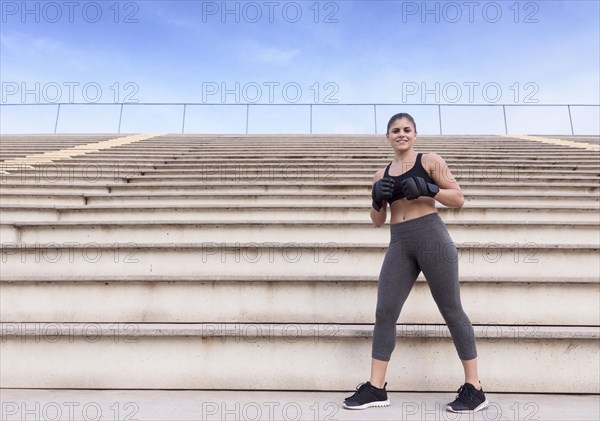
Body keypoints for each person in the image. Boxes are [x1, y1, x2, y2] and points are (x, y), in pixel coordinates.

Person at [342, 113, 489, 413]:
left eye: (407, 129)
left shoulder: (430, 161)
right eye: (395, 130)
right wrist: (374, 202)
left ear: (415, 135)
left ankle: (474, 388)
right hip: (399, 242)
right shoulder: (379, 174)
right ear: (387, 137)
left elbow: (458, 198)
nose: (401, 134)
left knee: (451, 309)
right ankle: (376, 388)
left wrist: (429, 189)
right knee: (385, 311)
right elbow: (377, 222)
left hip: (432, 237)